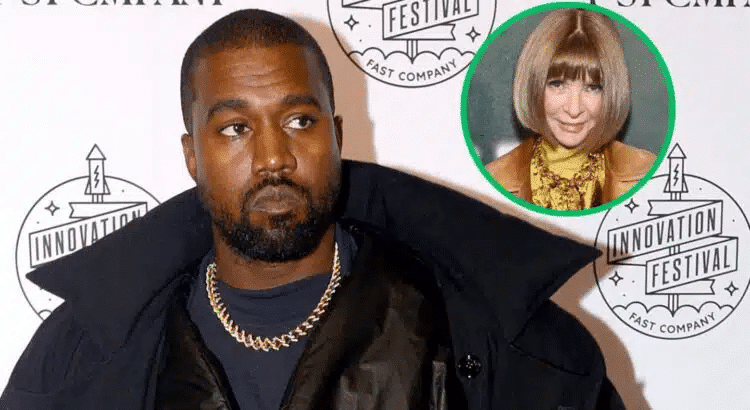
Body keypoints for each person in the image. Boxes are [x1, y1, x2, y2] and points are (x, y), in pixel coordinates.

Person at [1, 9, 625, 409]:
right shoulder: (80, 360)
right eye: (235, 129)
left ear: (337, 134)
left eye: (300, 121)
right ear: (192, 156)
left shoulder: (499, 340)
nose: (274, 157)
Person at [486, 8, 656, 211]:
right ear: (533, 87)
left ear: (611, 94)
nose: (574, 109)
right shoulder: (492, 182)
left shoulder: (649, 175)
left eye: (592, 88)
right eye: (557, 84)